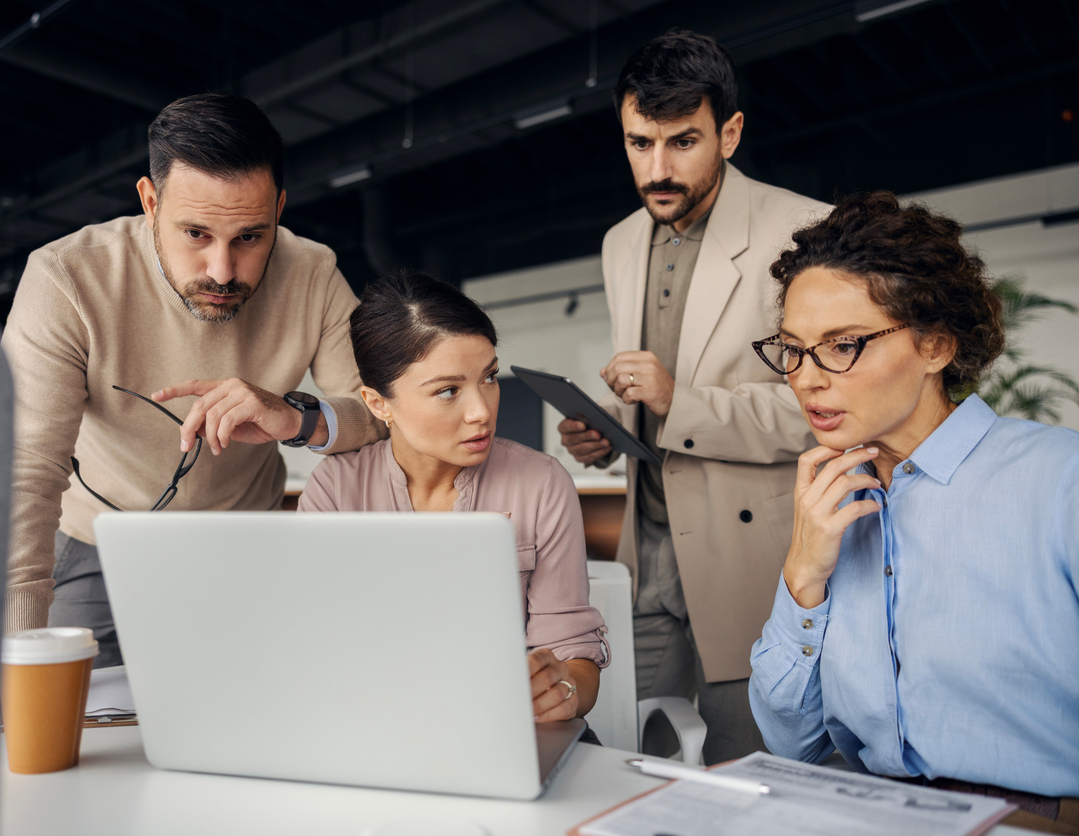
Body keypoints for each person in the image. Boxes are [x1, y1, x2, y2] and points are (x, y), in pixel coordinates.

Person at [2, 94, 384, 666]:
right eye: (197, 234)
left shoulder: (314, 273)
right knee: (78, 708)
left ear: (279, 207)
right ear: (150, 202)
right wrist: (18, 654)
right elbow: (26, 470)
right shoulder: (66, 277)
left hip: (246, 544)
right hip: (91, 544)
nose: (223, 272)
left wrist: (296, 418)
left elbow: (382, 412)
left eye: (250, 237)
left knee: (254, 701)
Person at [748, 192, 1079, 832]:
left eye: (843, 345)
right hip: (867, 813)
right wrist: (803, 575)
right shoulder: (831, 503)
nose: (806, 379)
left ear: (936, 346)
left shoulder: (1061, 482)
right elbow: (791, 744)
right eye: (792, 348)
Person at [557, 29, 824, 762]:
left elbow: (823, 412)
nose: (658, 169)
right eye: (640, 144)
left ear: (729, 133)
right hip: (644, 551)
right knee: (625, 755)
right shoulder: (620, 241)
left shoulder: (804, 231)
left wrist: (680, 401)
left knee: (752, 769)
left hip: (750, 557)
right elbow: (650, 398)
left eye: (683, 142)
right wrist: (607, 430)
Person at [299, 271, 608, 725]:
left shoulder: (541, 483)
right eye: (448, 391)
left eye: (490, 377)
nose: (482, 411)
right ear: (378, 403)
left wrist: (562, 690)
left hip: (505, 727)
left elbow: (574, 656)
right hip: (374, 724)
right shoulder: (334, 491)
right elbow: (317, 649)